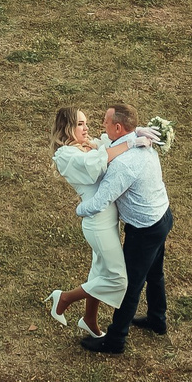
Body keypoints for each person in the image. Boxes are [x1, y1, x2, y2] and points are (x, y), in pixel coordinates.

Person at [72, 102, 171, 354]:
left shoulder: (124, 164)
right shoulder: (140, 141)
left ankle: (115, 340)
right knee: (154, 273)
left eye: (106, 122)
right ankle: (157, 319)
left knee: (130, 285)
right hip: (162, 216)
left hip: (145, 230)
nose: (102, 125)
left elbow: (100, 202)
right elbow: (111, 141)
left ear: (118, 127)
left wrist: (78, 209)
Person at [47, 107, 143, 337]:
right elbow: (97, 163)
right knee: (118, 280)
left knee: (99, 272)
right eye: (80, 124)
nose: (86, 128)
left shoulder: (86, 146)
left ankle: (89, 319)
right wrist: (129, 144)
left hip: (108, 220)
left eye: (86, 123)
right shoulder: (66, 156)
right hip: (98, 223)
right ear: (67, 127)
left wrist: (135, 134)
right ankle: (64, 298)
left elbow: (106, 147)